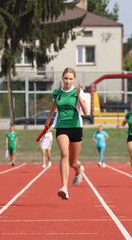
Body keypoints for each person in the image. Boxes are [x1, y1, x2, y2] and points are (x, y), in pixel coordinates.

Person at [44, 67, 89, 200]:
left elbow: (86, 111)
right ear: (62, 78)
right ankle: (64, 187)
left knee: (73, 162)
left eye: (70, 79)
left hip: (76, 127)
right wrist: (48, 119)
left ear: (74, 80)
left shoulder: (78, 92)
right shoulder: (57, 92)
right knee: (64, 154)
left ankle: (79, 169)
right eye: (66, 78)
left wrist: (79, 97)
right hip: (62, 127)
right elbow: (55, 106)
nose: (68, 81)